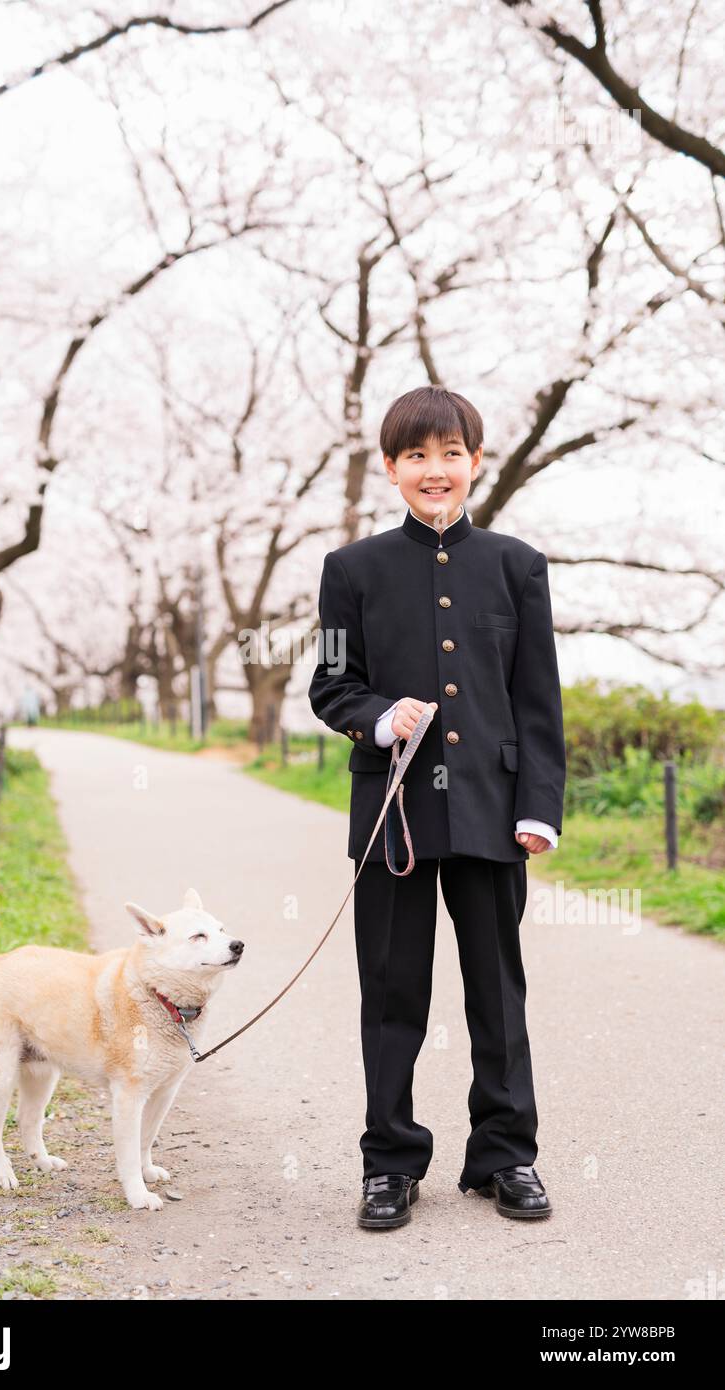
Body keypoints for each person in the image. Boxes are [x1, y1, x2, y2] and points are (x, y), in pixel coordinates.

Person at [308, 385, 566, 1229]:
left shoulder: (518, 566)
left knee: (498, 994)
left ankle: (506, 1156)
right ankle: (390, 1163)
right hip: (395, 819)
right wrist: (379, 718)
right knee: (391, 996)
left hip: (494, 815)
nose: (435, 470)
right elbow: (330, 684)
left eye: (450, 453)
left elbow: (537, 703)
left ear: (475, 463)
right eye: (416, 455)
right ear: (391, 468)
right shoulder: (350, 571)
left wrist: (540, 806)